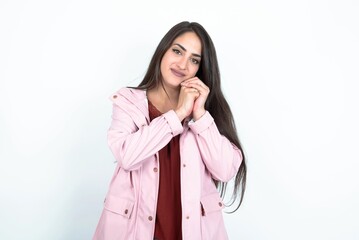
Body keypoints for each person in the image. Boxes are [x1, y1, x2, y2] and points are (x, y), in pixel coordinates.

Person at [92, 21, 247, 240]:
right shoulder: (128, 101)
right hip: (133, 232)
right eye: (177, 51)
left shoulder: (205, 110)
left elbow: (225, 169)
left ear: (199, 70)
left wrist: (199, 114)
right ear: (163, 51)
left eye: (194, 60)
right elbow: (127, 155)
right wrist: (178, 114)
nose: (183, 65)